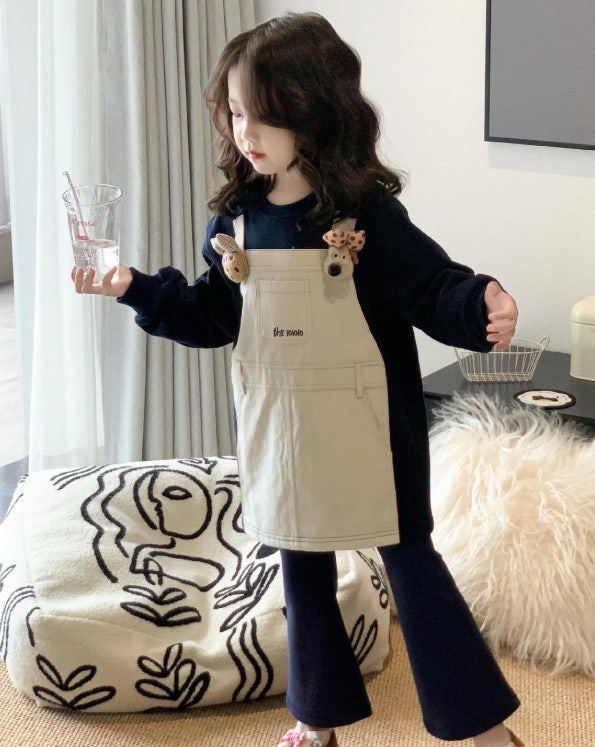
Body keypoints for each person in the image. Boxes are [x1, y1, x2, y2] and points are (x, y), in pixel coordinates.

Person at [72, 12, 524, 747]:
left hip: (373, 426)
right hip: (281, 425)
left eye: (266, 115)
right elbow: (212, 316)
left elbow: (431, 285)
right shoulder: (237, 221)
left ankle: (482, 728)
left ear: (315, 112)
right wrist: (131, 286)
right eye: (236, 112)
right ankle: (316, 719)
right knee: (300, 562)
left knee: (410, 560)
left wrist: (483, 304)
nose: (246, 132)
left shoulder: (366, 215)